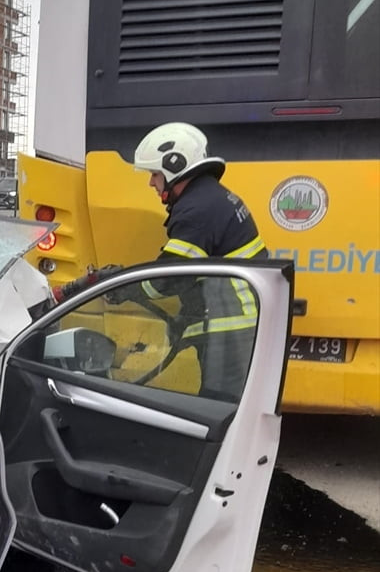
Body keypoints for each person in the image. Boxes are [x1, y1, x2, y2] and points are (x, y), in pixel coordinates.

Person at [55, 122, 268, 401]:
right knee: (220, 404)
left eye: (155, 174)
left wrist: (124, 287)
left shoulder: (196, 210)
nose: (151, 182)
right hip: (237, 323)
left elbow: (168, 280)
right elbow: (188, 272)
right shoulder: (210, 198)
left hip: (232, 327)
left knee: (220, 406)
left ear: (175, 167)